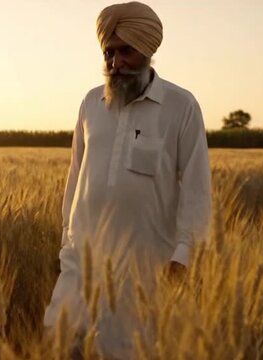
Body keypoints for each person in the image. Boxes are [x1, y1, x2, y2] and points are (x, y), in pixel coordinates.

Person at [43, 2, 212, 358]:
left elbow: (197, 190)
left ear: (148, 50)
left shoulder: (181, 107)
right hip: (81, 265)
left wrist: (183, 256)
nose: (115, 63)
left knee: (130, 349)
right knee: (62, 345)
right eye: (108, 52)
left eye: (126, 51)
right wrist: (66, 244)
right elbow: (75, 178)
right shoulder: (90, 103)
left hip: (144, 270)